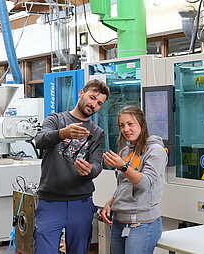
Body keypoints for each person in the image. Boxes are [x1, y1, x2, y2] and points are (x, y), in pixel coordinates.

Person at [34, 79, 110, 254]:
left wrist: (91, 170)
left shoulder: (97, 133)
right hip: (51, 201)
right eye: (92, 98)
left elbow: (97, 163)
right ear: (81, 93)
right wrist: (62, 133)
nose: (94, 105)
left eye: (99, 103)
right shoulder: (56, 119)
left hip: (81, 202)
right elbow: (40, 140)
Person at [101, 105, 167, 254]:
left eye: (130, 124)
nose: (126, 129)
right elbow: (123, 185)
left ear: (142, 124)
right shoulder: (125, 150)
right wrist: (110, 203)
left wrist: (123, 166)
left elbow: (144, 183)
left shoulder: (156, 151)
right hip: (119, 220)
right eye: (122, 125)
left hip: (142, 223)